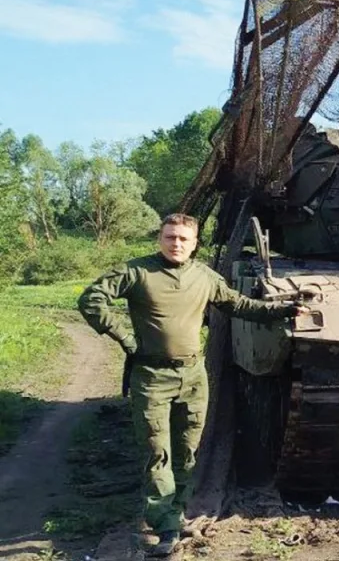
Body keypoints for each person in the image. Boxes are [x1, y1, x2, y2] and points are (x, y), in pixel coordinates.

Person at [78, 213, 306, 556]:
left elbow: (238, 304)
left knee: (186, 453)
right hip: (152, 377)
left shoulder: (204, 277)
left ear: (195, 243)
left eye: (184, 238)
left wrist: (283, 311)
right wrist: (125, 337)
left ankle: (177, 511)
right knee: (157, 453)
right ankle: (165, 527)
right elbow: (91, 299)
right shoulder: (137, 272)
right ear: (160, 238)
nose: (176, 244)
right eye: (170, 237)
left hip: (193, 376)